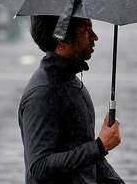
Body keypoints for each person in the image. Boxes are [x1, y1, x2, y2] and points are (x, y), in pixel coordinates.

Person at [19, 15, 125, 184]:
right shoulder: (43, 93)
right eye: (85, 30)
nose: (94, 36)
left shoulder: (71, 83)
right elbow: (39, 166)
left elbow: (89, 157)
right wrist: (99, 146)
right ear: (60, 40)